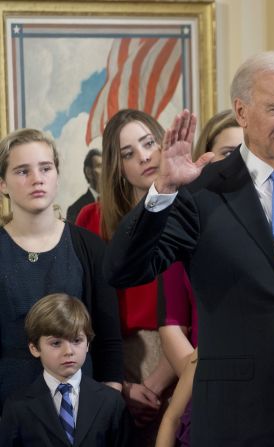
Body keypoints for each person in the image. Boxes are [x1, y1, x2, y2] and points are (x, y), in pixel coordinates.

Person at [104, 50, 274, 445]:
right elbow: (124, 269)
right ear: (242, 111)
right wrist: (163, 190)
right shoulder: (199, 193)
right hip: (237, 417)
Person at [0, 128, 123, 411]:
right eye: (22, 171)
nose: (37, 179)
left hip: (81, 408)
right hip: (10, 409)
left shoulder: (89, 247)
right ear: (2, 184)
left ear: (56, 175)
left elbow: (108, 339)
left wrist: (107, 406)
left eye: (46, 168)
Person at [76, 110, 177, 446]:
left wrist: (158, 382)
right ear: (117, 167)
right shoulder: (93, 218)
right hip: (116, 362)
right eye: (128, 154)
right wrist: (121, 384)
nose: (145, 157)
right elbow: (85, 309)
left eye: (149, 144)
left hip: (183, 356)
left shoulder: (189, 209)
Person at [157, 109, 242, 446]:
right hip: (201, 382)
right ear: (205, 159)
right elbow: (172, 323)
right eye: (228, 154)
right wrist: (202, 379)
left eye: (248, 152)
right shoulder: (187, 219)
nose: (240, 163)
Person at [0, 293, 131, 446]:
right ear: (34, 348)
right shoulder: (17, 407)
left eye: (77, 340)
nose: (69, 351)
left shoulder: (112, 402)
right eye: (56, 343)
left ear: (88, 343)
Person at [67, 148, 101, 222]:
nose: (105, 170)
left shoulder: (114, 203)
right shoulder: (75, 209)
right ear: (89, 172)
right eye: (99, 166)